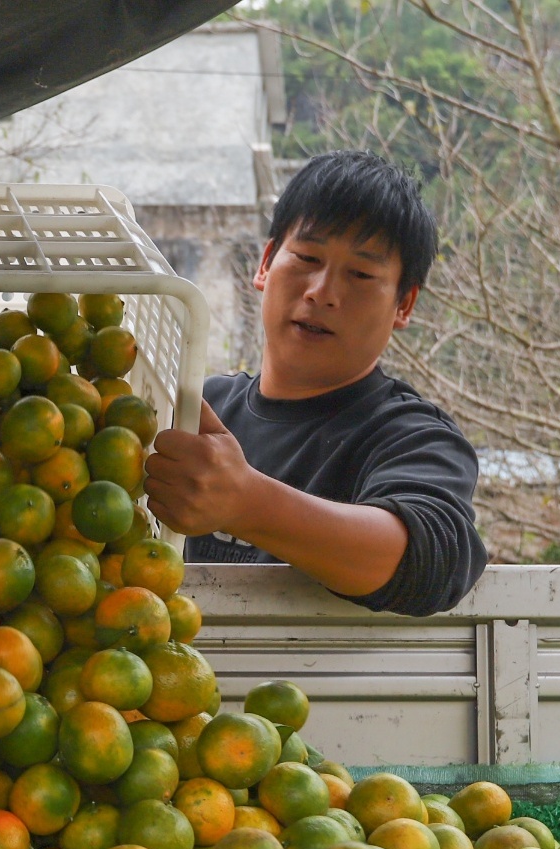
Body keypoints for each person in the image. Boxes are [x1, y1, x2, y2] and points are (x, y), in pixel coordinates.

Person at [142, 151, 488, 617]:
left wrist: (247, 503)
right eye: (307, 258)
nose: (322, 293)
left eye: (361, 274)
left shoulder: (413, 437)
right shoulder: (193, 407)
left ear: (404, 304)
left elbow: (430, 560)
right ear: (265, 264)